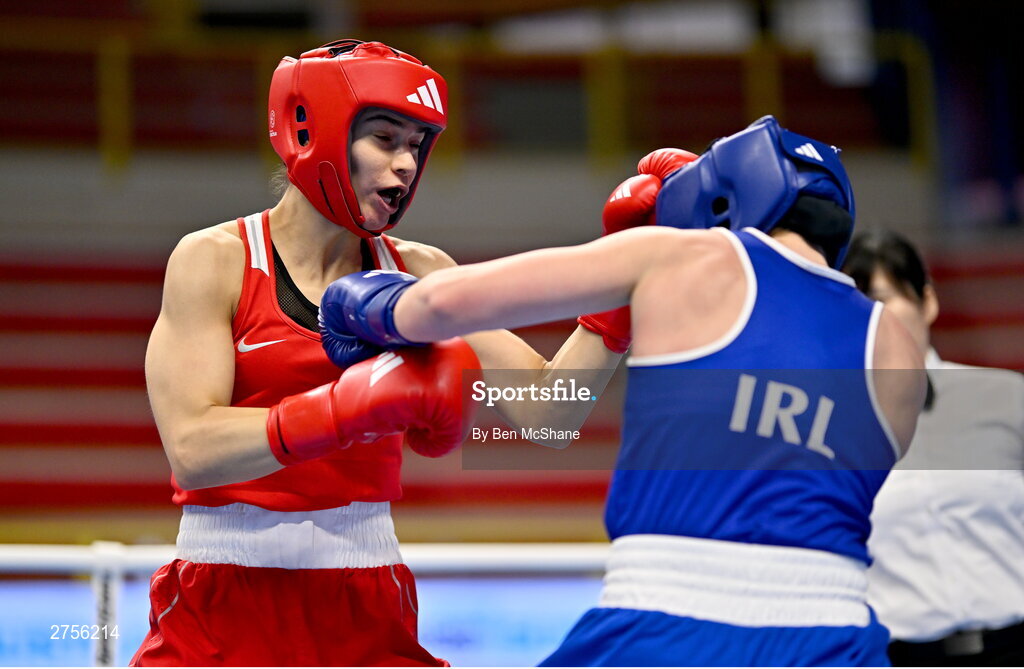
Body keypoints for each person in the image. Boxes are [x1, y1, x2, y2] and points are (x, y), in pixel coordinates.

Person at [318, 115, 928, 666]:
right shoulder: (896, 344)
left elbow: (445, 302)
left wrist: (366, 308)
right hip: (837, 634)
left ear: (728, 193)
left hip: (668, 619)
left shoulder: (685, 256)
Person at [132, 39, 625, 666]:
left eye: (416, 146)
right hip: (223, 591)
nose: (405, 166)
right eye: (385, 140)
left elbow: (552, 413)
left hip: (366, 589)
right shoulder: (216, 260)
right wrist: (346, 408)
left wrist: (619, 299)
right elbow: (194, 450)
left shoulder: (421, 275)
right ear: (315, 133)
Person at [842, 229, 1024, 667]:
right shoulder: (831, 429)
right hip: (902, 655)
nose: (872, 316)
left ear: (928, 301)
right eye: (856, 303)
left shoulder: (1007, 398)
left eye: (883, 296)